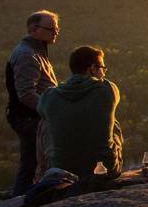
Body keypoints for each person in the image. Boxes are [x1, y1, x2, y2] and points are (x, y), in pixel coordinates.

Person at [37, 46, 123, 180]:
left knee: (44, 122)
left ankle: (43, 175)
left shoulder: (49, 96)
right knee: (113, 121)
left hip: (62, 170)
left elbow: (41, 110)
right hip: (105, 169)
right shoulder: (108, 90)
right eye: (102, 68)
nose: (104, 73)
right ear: (92, 69)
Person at [5, 10, 60, 195]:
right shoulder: (27, 55)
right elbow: (26, 94)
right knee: (31, 162)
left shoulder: (36, 51)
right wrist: (50, 111)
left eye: (57, 28)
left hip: (31, 116)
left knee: (33, 162)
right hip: (29, 118)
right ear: (34, 29)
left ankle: (23, 200)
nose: (56, 32)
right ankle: (20, 203)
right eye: (51, 28)